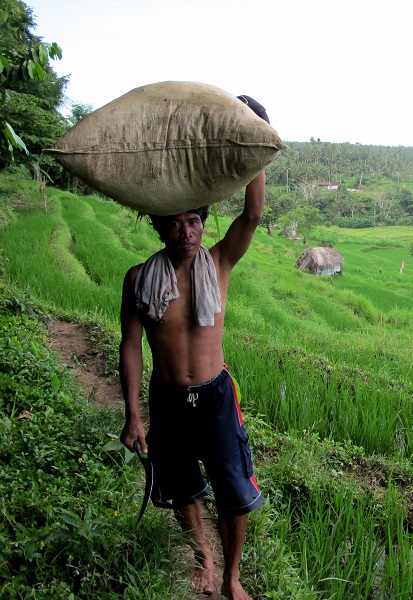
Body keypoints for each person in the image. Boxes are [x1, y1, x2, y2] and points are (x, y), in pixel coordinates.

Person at [120, 97, 269, 600]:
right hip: (167, 399)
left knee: (233, 490)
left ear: (204, 223)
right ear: (158, 226)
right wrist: (133, 415)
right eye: (175, 223)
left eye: (194, 221)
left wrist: (258, 134)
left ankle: (231, 577)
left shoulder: (219, 263)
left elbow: (253, 213)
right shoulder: (138, 280)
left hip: (216, 397)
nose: (187, 233)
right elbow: (131, 347)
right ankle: (203, 555)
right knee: (182, 486)